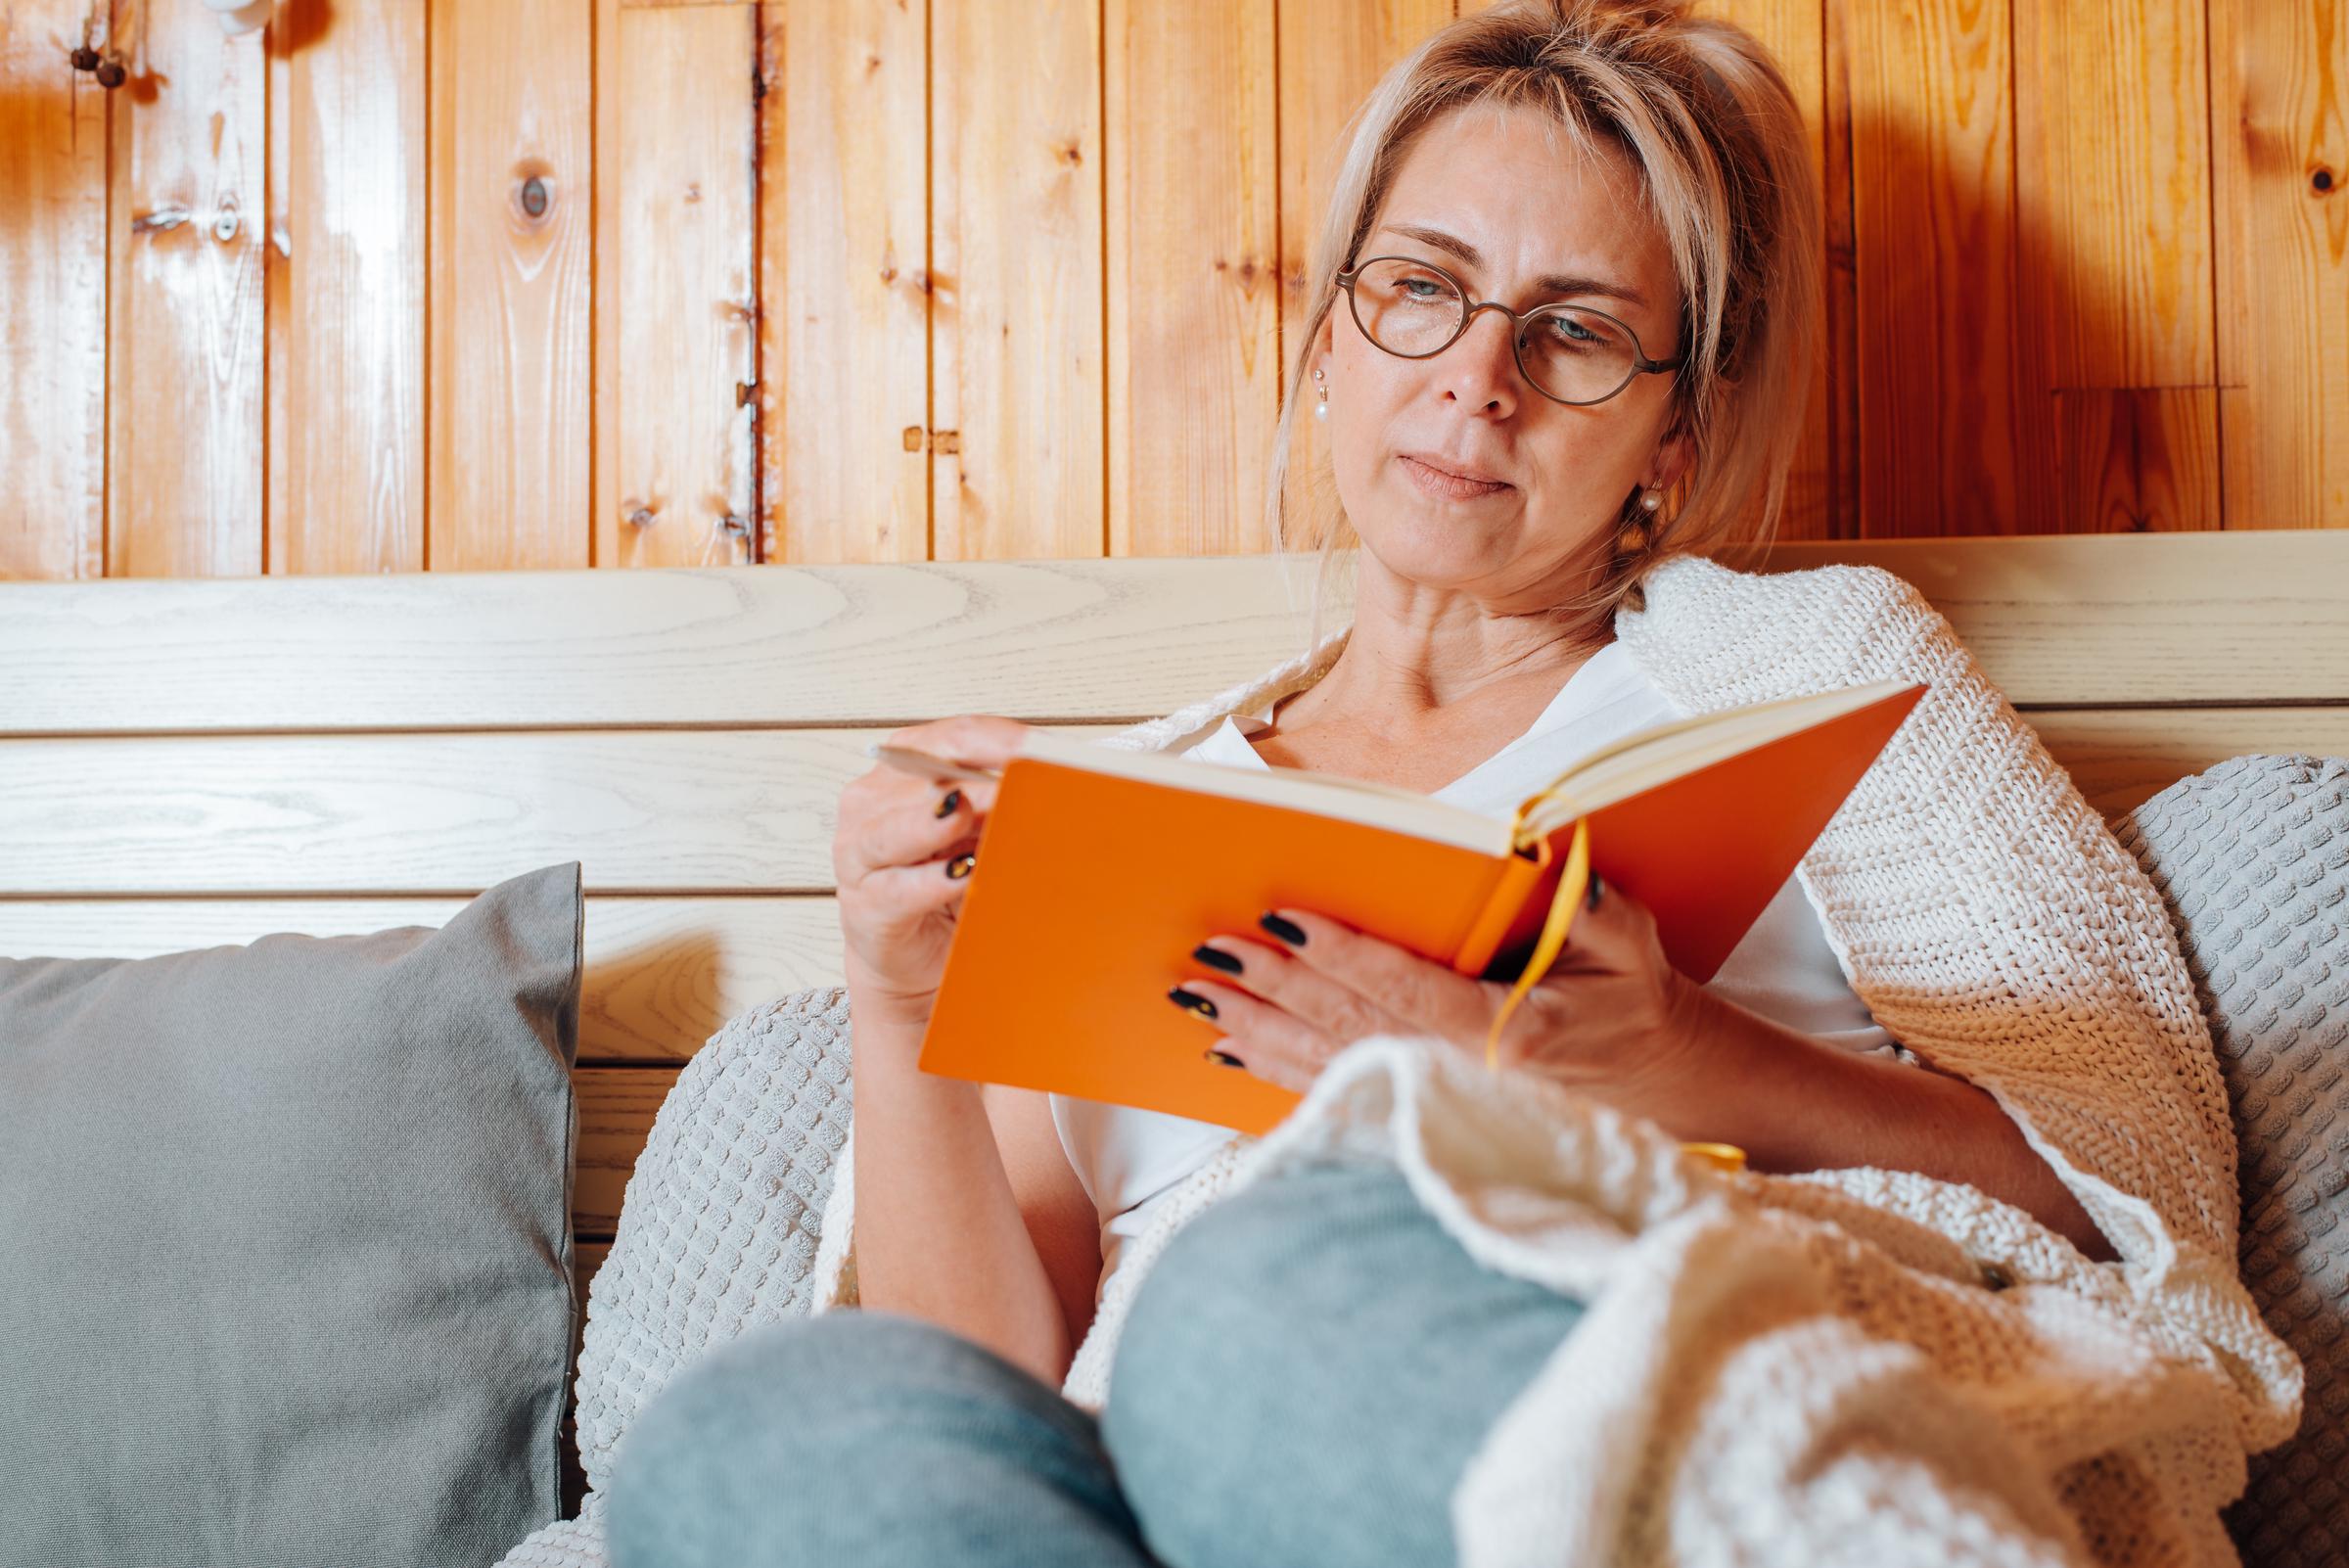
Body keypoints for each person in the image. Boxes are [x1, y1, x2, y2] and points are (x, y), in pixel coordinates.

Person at [604, 4, 2290, 1564]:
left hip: (1566, 1352)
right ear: (1332, 338)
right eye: (1421, 287)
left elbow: (2125, 1184)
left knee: (1259, 1297)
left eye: (1575, 333)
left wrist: (1673, 1060)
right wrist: (908, 1013)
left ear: (1673, 439)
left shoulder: (1828, 672)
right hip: (1174, 1488)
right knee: (757, 1437)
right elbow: (970, 1389)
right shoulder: (1134, 809)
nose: (1476, 379)